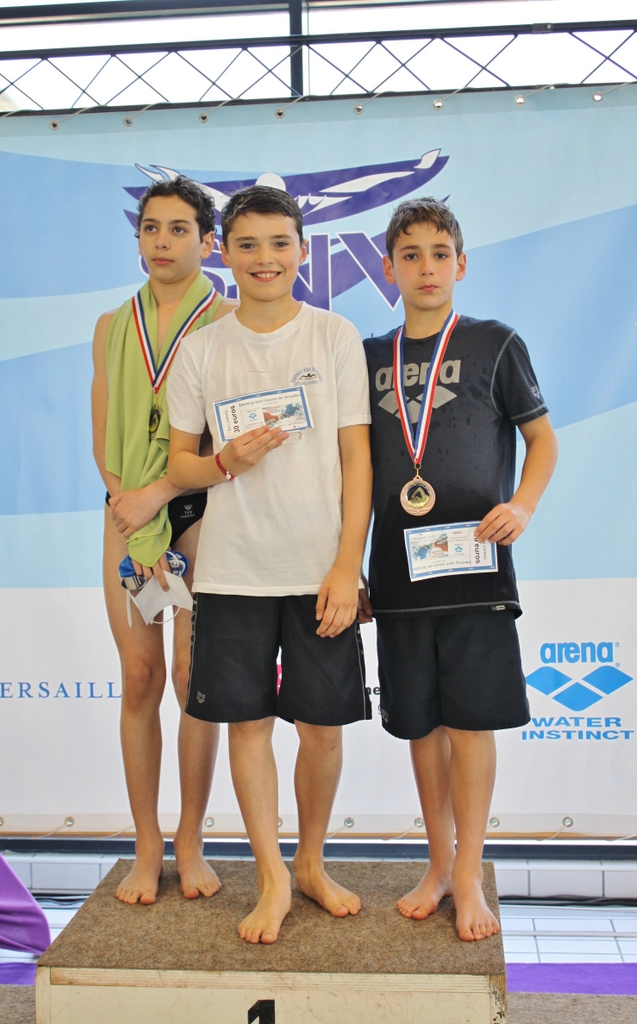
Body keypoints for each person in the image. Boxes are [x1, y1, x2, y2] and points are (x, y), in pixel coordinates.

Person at [166, 185, 373, 945]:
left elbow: (357, 458)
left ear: (302, 251)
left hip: (319, 571)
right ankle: (272, 877)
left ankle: (311, 862)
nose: (265, 258)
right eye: (247, 244)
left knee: (322, 728)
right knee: (247, 725)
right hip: (231, 572)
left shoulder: (333, 335)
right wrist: (225, 462)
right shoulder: (202, 349)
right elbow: (179, 466)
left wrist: (347, 564)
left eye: (279, 243)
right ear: (224, 252)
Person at [360, 197, 558, 941]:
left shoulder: (495, 344)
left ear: (461, 265)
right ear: (388, 269)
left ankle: (469, 874)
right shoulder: (367, 356)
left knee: (471, 725)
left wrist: (522, 506)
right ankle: (437, 864)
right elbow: (352, 472)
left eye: (439, 253)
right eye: (409, 255)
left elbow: (543, 441)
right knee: (422, 727)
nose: (426, 267)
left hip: (476, 568)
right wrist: (350, 564)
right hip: (398, 574)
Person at [91, 176, 237, 906]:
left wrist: (164, 501)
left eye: (179, 229)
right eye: (150, 227)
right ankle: (146, 845)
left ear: (208, 242)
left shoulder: (231, 320)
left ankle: (190, 839)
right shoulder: (111, 325)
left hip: (205, 510)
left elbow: (233, 441)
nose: (161, 241)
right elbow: (103, 440)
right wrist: (137, 518)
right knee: (141, 678)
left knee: (191, 678)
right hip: (126, 514)